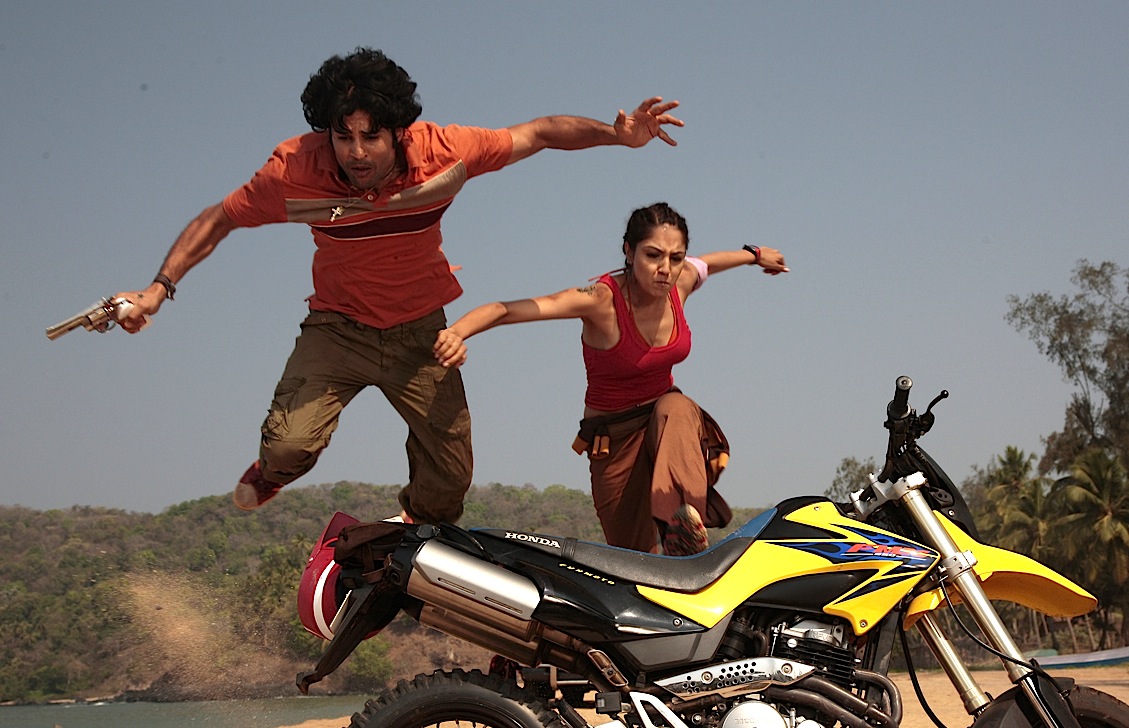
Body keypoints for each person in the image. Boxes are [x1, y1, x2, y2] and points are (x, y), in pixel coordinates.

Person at [112, 48, 684, 521]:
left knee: (452, 481)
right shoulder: (292, 174)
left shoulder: (443, 154)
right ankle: (273, 473)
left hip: (419, 334)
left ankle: (410, 525)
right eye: (343, 136)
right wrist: (158, 289)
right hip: (338, 328)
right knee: (289, 445)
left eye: (372, 136)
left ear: (398, 131)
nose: (357, 153)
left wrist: (617, 135)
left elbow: (537, 133)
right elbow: (220, 218)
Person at [433, 202, 788, 555]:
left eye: (676, 258)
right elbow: (506, 310)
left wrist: (754, 255)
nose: (665, 269)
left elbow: (707, 263)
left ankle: (685, 522)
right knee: (639, 558)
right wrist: (457, 333)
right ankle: (662, 552)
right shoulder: (600, 301)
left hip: (663, 427)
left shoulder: (680, 284)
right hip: (613, 442)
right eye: (653, 256)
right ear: (629, 251)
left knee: (677, 407)